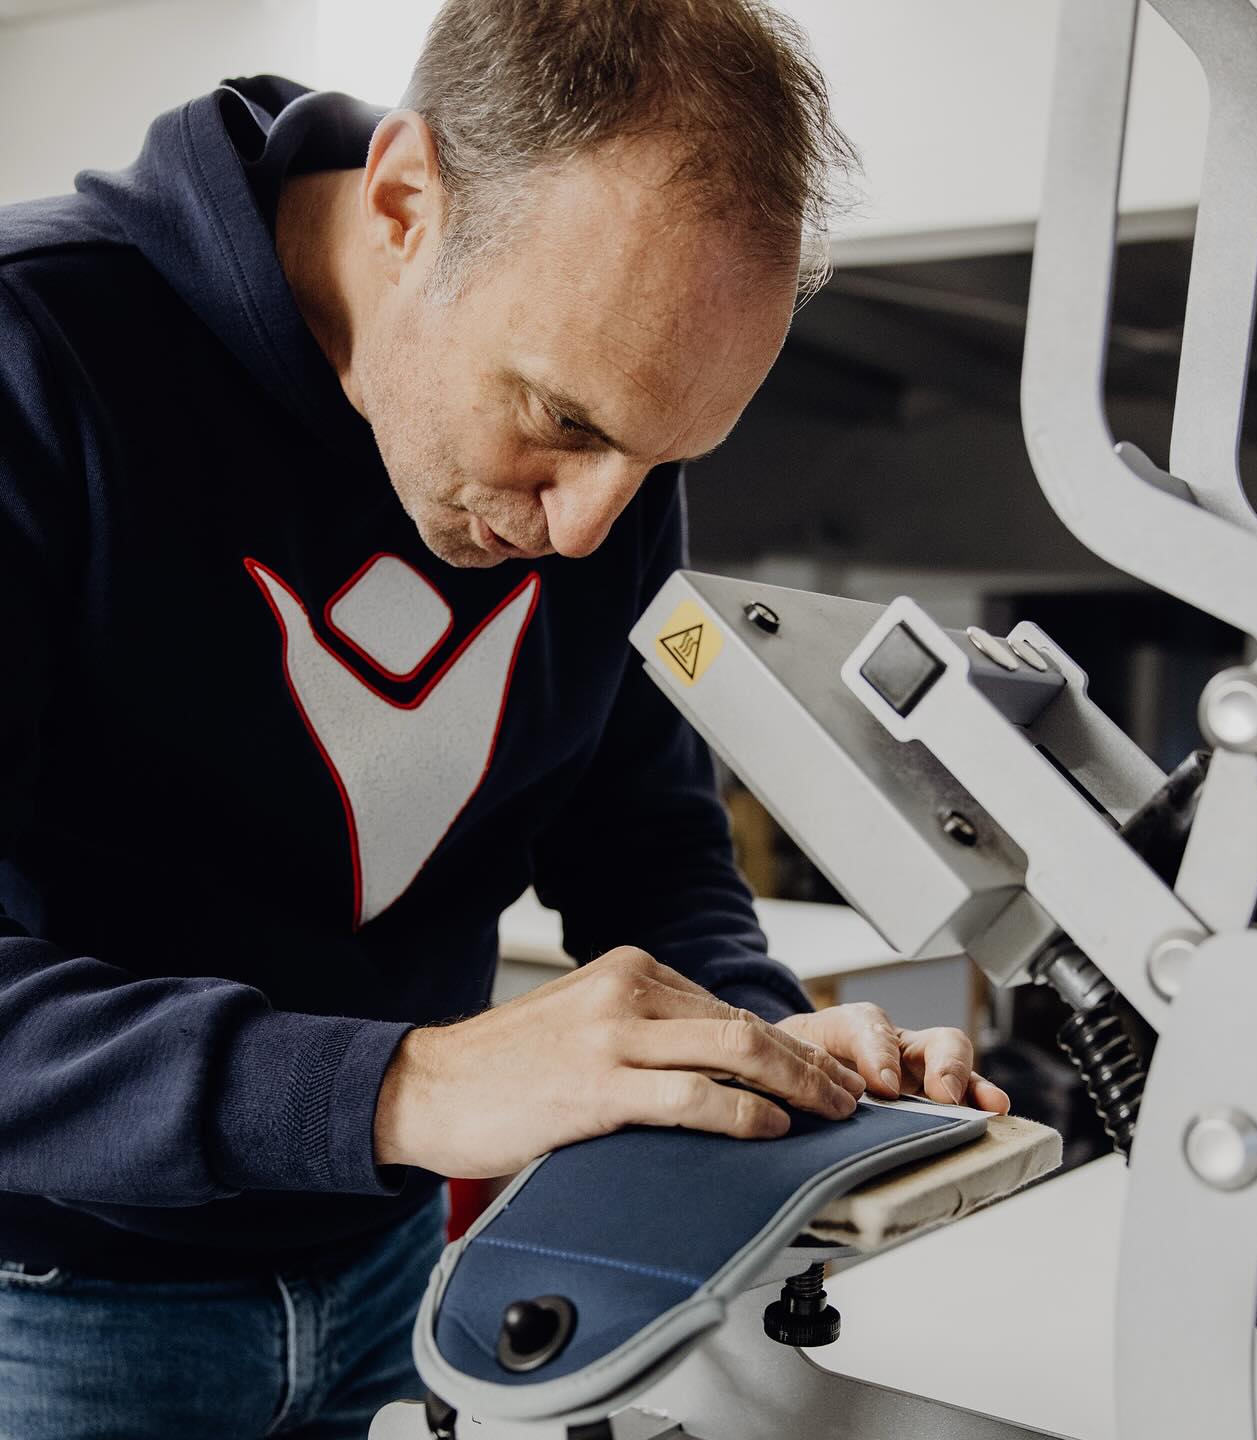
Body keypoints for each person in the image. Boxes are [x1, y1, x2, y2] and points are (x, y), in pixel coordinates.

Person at [0, 0, 1009, 1433]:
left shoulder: (603, 454)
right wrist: (399, 1084)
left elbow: (640, 834)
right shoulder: (34, 358)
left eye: (661, 456)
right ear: (407, 200)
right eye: (569, 425)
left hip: (394, 1266)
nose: (596, 529)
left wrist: (758, 1047)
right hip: (49, 1299)